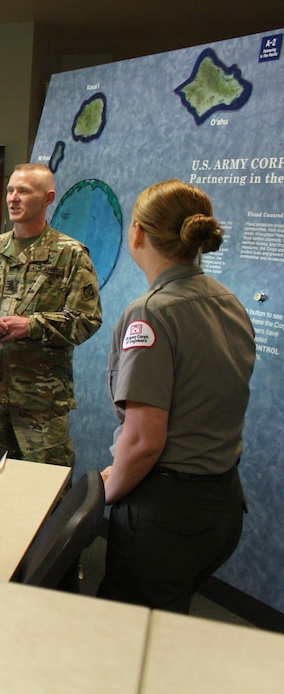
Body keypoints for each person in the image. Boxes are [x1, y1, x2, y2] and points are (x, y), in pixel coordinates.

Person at [98, 180, 254, 613]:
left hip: (165, 517)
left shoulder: (150, 311)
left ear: (139, 233)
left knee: (129, 642)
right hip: (220, 507)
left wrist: (102, 496)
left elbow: (145, 440)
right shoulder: (228, 301)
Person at [0, 163, 102, 467]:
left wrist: (33, 326)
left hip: (40, 399)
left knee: (44, 487)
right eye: (11, 190)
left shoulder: (70, 255)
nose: (13, 198)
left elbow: (86, 320)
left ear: (48, 198)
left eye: (24, 191)